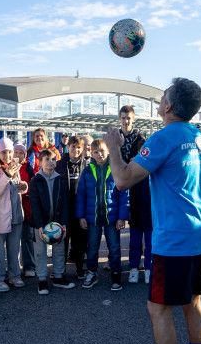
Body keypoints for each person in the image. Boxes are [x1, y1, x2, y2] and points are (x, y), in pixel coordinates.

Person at [104, 77, 201, 344]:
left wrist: (113, 147)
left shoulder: (163, 137)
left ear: (168, 105)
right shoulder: (198, 136)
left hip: (175, 239)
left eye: (163, 95)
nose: (159, 99)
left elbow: (122, 180)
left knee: (158, 309)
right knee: (192, 302)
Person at [76, 139, 129, 291]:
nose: (100, 154)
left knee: (114, 247)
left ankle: (116, 273)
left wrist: (122, 217)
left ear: (108, 151)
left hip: (111, 217)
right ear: (91, 154)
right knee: (92, 247)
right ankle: (92, 272)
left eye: (102, 151)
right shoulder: (87, 171)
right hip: (92, 218)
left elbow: (124, 194)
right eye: (96, 152)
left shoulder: (115, 169)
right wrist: (81, 216)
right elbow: (81, 195)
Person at [30, 149, 75, 294]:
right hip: (40, 224)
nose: (51, 162)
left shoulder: (60, 179)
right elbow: (34, 205)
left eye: (53, 159)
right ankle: (42, 280)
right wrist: (40, 225)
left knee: (59, 250)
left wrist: (63, 223)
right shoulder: (35, 180)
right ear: (40, 162)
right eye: (47, 159)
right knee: (40, 252)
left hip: (57, 223)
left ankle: (58, 277)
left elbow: (65, 203)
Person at [0, 138, 27, 292]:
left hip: (15, 214)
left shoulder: (15, 166)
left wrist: (24, 186)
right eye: (3, 152)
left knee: (14, 249)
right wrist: (7, 175)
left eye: (10, 152)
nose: (7, 156)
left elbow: (17, 188)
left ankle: (14, 275)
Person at [119, 105, 152, 284]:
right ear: (120, 119)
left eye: (128, 118)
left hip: (149, 210)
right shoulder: (117, 137)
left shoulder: (140, 138)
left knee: (150, 242)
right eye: (123, 118)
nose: (126, 121)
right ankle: (133, 266)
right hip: (131, 197)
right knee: (134, 241)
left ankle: (148, 267)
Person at [56, 135, 89, 280]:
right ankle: (60, 270)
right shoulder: (59, 164)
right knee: (62, 241)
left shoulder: (86, 165)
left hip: (80, 209)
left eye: (79, 147)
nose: (76, 150)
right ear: (68, 147)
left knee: (79, 241)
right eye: (73, 146)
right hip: (64, 208)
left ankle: (80, 269)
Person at [14, 143, 36, 280]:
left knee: (27, 238)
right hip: (11, 210)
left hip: (26, 209)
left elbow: (33, 188)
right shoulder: (7, 168)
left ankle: (29, 266)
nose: (17, 155)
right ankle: (14, 267)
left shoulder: (28, 168)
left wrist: (26, 188)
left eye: (20, 152)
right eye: (15, 152)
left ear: (25, 155)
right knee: (13, 241)